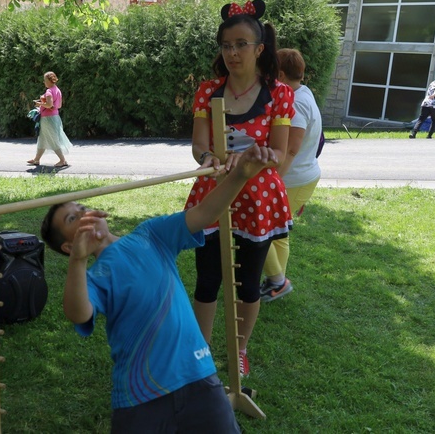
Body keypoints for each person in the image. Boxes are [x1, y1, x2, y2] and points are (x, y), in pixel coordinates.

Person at [41, 143, 277, 433]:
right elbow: (78, 314)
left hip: (197, 376)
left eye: (82, 207)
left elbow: (204, 212)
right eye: (72, 219)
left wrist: (240, 174)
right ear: (68, 244)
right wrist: (77, 260)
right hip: (139, 396)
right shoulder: (92, 277)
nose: (85, 214)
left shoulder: (150, 234)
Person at [184, 0, 295, 378]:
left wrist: (258, 157)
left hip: (258, 196)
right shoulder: (208, 91)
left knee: (249, 282)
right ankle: (201, 351)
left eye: (241, 45)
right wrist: (209, 159)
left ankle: (240, 349)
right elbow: (199, 145)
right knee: (208, 277)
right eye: (227, 45)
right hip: (214, 191)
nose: (233, 53)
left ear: (260, 48)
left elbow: (279, 153)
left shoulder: (279, 94)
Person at [260, 49, 322, 302]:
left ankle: (278, 281)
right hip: (302, 178)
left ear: (282, 75)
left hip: (292, 178)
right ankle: (276, 282)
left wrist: (273, 181)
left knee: (257, 230)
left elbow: (292, 148)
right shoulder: (304, 93)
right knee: (278, 233)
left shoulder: (295, 102)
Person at [26, 71, 72, 167]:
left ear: (50, 81)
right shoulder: (57, 90)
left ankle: (62, 160)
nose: (44, 82)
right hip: (55, 117)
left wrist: (40, 104)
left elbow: (49, 104)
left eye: (45, 80)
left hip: (47, 119)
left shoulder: (49, 91)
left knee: (53, 139)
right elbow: (58, 105)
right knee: (42, 138)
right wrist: (45, 103)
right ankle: (36, 159)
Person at [409, 70, 435, 139]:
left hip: (425, 103)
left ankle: (413, 133)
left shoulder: (432, 83)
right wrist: (434, 94)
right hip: (433, 105)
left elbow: (434, 93)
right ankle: (429, 135)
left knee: (421, 119)